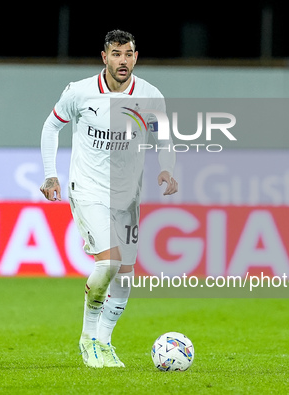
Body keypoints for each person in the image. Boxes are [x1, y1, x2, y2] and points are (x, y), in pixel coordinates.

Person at [39, 30, 178, 368]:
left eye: (128, 54)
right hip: (88, 189)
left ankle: (104, 341)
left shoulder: (150, 95)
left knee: (126, 274)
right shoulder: (80, 92)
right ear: (104, 57)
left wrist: (166, 169)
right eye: (116, 54)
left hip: (127, 195)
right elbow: (50, 127)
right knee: (110, 261)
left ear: (136, 57)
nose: (122, 60)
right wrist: (50, 174)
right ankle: (88, 339)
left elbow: (165, 137)